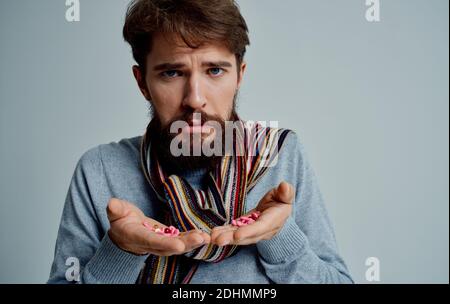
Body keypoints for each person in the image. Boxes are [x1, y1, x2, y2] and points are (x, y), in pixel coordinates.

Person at [48, 0, 353, 284]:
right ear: (142, 83)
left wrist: (279, 235)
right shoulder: (99, 170)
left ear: (239, 76)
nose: (195, 99)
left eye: (215, 71)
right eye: (171, 72)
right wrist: (120, 251)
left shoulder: (280, 154)